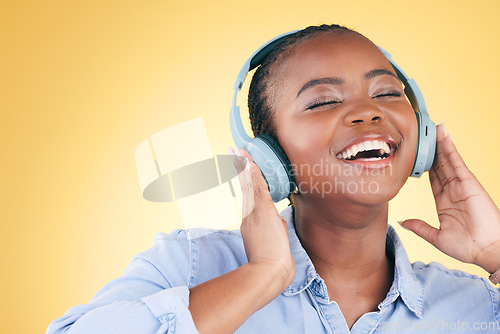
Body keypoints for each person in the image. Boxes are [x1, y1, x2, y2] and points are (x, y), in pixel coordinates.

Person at [47, 24, 500, 334]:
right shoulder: (185, 265)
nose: (368, 110)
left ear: (420, 137)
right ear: (270, 157)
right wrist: (262, 277)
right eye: (323, 101)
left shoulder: (477, 305)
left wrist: (497, 255)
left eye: (386, 92)